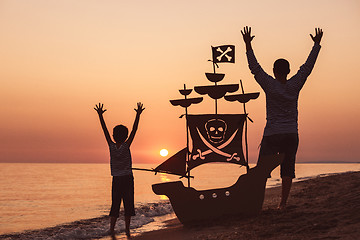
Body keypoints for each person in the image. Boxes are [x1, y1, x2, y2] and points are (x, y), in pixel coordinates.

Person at [241, 26, 323, 210]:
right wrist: (316, 45)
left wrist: (248, 45)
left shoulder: (269, 85)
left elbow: (255, 69)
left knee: (262, 170)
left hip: (272, 134)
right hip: (291, 133)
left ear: (274, 70)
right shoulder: (295, 84)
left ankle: (257, 204)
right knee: (287, 168)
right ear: (288, 70)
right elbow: (307, 68)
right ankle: (283, 204)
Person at [94, 102, 145, 236]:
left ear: (113, 136)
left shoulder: (111, 146)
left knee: (115, 204)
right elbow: (135, 130)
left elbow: (104, 130)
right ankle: (127, 229)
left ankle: (112, 229)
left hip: (116, 179)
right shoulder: (126, 146)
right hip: (127, 179)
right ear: (126, 137)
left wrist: (100, 115)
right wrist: (138, 115)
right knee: (128, 204)